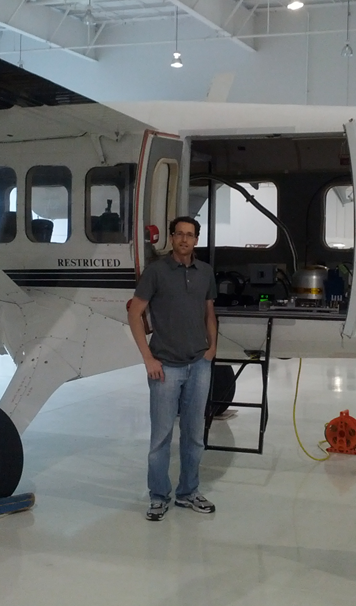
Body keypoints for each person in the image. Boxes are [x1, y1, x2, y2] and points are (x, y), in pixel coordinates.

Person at [128, 216, 218, 521]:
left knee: (194, 436)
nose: (184, 239)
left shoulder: (205, 272)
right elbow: (135, 314)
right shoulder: (156, 272)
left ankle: (188, 492)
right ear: (171, 238)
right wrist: (148, 358)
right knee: (161, 438)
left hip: (199, 365)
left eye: (190, 235)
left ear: (196, 240)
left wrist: (212, 348)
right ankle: (158, 496)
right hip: (165, 367)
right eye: (179, 234)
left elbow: (209, 312)